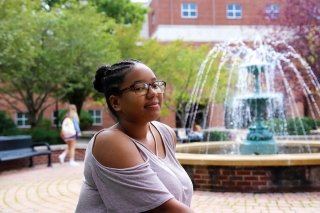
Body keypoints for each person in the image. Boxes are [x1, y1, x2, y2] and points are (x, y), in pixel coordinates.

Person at [76, 59, 194, 212]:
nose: (153, 93)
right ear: (115, 102)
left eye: (154, 84)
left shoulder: (165, 134)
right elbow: (164, 209)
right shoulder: (110, 142)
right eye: (139, 87)